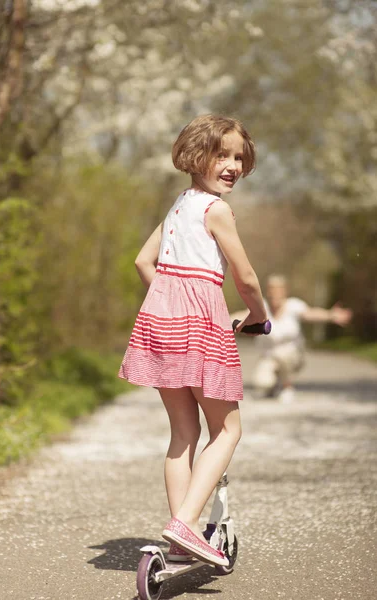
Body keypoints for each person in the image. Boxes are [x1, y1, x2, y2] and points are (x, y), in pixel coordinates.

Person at [118, 115, 267, 567]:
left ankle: (179, 536)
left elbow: (144, 262)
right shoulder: (216, 210)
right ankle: (185, 525)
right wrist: (259, 316)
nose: (233, 165)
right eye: (222, 154)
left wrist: (168, 300)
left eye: (239, 156)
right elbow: (245, 278)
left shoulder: (180, 205)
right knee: (228, 429)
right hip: (201, 323)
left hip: (161, 320)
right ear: (194, 155)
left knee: (183, 432)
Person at [233, 274, 353, 403]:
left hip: (292, 355)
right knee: (262, 383)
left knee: (283, 355)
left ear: (284, 291)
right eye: (272, 290)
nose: (275, 294)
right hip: (269, 357)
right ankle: (274, 386)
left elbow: (310, 313)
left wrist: (330, 315)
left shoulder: (293, 306)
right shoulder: (262, 307)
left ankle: (287, 387)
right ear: (268, 291)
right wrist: (221, 320)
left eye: (278, 290)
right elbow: (242, 315)